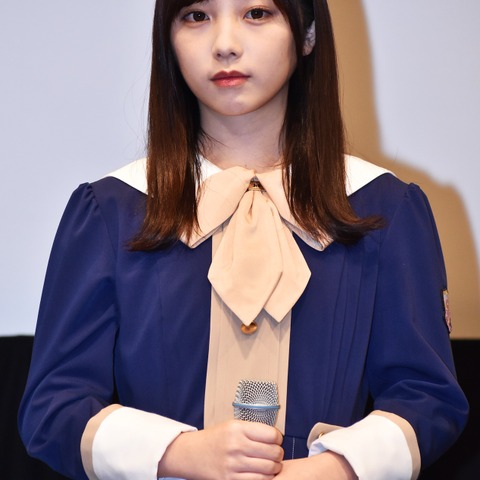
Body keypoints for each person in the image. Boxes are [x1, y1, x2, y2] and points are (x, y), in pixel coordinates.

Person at [19, 1, 468, 479]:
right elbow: (53, 407)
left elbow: (427, 398)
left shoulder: (384, 209)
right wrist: (178, 453)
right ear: (168, 38)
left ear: (307, 34)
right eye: (196, 16)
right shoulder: (111, 211)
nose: (225, 44)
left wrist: (333, 468)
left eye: (256, 13)